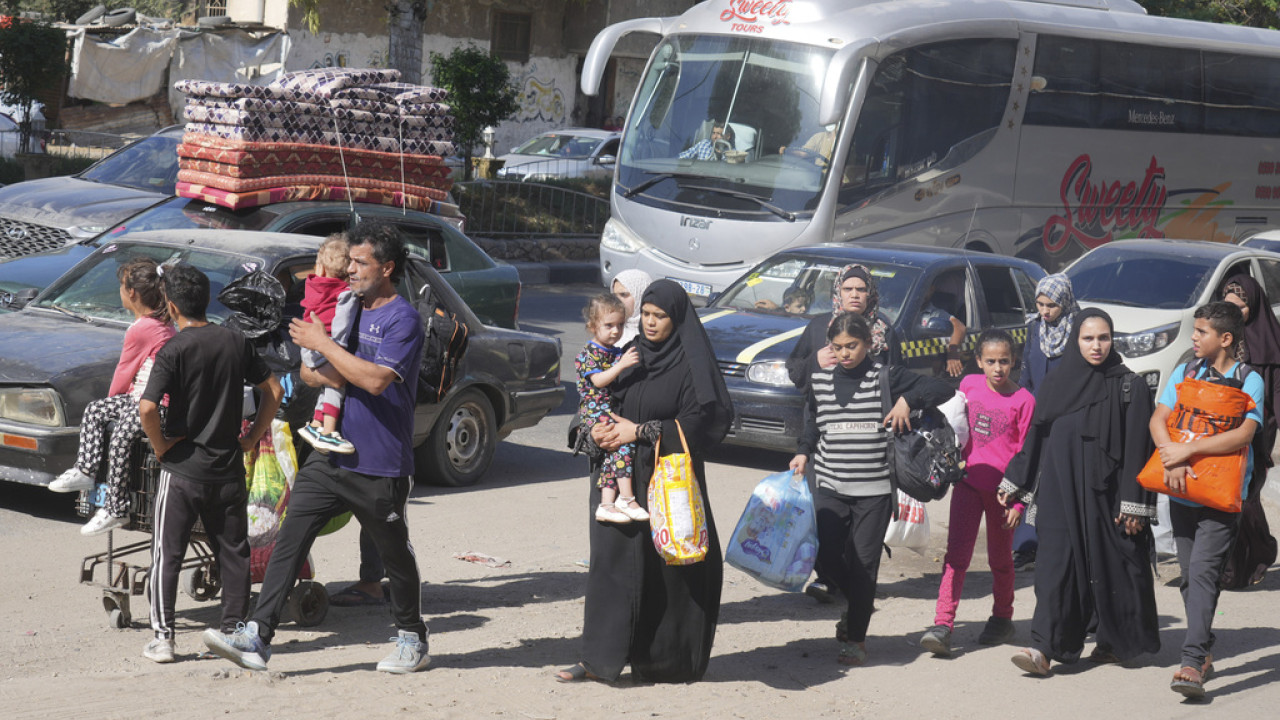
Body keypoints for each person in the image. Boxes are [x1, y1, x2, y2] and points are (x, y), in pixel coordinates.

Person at [203, 222, 431, 674]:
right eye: (348, 262)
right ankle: (257, 635)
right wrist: (329, 359)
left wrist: (328, 350)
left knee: (394, 554)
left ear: (386, 268)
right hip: (329, 453)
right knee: (290, 538)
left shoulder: (402, 319)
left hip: (380, 461)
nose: (350, 270)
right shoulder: (347, 305)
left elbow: (376, 380)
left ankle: (412, 636)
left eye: (360, 263)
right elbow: (310, 374)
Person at [557, 279, 733, 683]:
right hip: (614, 480)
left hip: (665, 482)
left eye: (661, 317)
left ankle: (663, 661)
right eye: (647, 315)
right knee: (608, 567)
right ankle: (596, 659)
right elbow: (591, 398)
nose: (650, 324)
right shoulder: (626, 355)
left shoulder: (689, 366)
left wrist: (640, 431)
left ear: (677, 319)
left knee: (667, 571)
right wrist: (593, 431)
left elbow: (699, 423)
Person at [999, 308, 1160, 677]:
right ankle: (1043, 647)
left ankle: (1113, 642)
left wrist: (1134, 504)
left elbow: (1139, 448)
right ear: (1076, 341)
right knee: (1055, 567)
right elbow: (1035, 440)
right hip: (1059, 491)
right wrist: (1015, 483)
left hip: (1108, 496)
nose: (1096, 346)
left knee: (1115, 566)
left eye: (1103, 338)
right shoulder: (1056, 385)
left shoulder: (1128, 386)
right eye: (1088, 338)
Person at [789, 311, 954, 666]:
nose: (845, 353)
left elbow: (944, 386)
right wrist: (803, 452)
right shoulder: (819, 380)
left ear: (868, 344)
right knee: (826, 554)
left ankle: (856, 637)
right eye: (838, 347)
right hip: (829, 486)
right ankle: (858, 605)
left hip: (875, 492)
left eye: (852, 346)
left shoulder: (886, 377)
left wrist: (908, 400)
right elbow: (813, 423)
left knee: (865, 564)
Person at [137, 262, 283, 664]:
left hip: (182, 470)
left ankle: (164, 639)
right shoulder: (236, 341)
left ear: (170, 305)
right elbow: (274, 387)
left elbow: (147, 407)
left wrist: (162, 446)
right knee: (233, 552)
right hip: (229, 469)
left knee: (168, 552)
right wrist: (252, 436)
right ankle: (235, 631)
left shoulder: (174, 349)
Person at [1149, 301, 1263, 699]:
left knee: (1200, 574)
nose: (1193, 338)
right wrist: (1170, 454)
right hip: (1182, 491)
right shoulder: (1184, 371)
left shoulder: (1249, 379)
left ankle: (1192, 662)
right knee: (1192, 576)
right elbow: (1159, 419)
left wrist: (1187, 453)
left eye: (1201, 332)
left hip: (1220, 497)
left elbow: (1244, 434)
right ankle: (1205, 647)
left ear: (1225, 338)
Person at [786, 263, 898, 603]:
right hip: (824, 433)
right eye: (848, 289)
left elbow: (899, 380)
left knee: (862, 517)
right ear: (838, 292)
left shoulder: (886, 332)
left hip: (869, 440)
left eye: (860, 290)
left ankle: (856, 581)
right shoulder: (820, 326)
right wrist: (814, 362)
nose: (854, 295)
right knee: (826, 513)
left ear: (870, 294)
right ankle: (831, 577)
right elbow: (794, 370)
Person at [920, 329, 1033, 657]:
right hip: (968, 485)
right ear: (980, 362)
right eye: (991, 361)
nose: (998, 368)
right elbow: (952, 422)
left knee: (1000, 559)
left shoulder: (1025, 401)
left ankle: (1002, 618)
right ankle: (943, 624)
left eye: (1005, 361)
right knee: (956, 556)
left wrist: (1019, 502)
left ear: (1014, 362)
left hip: (1003, 495)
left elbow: (1027, 455)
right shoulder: (968, 385)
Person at [48, 258, 176, 536]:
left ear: (132, 293)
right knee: (96, 410)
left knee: (119, 439)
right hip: (140, 398)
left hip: (154, 404)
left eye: (121, 286)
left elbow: (124, 371)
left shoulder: (142, 328)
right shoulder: (158, 322)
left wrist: (115, 400)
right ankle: (85, 470)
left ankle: (116, 508)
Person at [1013, 273, 1080, 572]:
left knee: (1058, 480)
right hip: (1035, 415)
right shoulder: (1034, 328)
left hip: (1067, 417)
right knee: (1029, 476)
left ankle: (1058, 546)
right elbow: (1026, 369)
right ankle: (1026, 546)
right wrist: (1024, 404)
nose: (1045, 311)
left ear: (1064, 301)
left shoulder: (1080, 330)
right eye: (1040, 304)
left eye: (1051, 305)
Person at [1217, 275, 1279, 588]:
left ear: (1252, 308)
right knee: (1228, 493)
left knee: (1245, 495)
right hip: (1221, 427)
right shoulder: (1220, 338)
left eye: (1239, 308)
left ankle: (1259, 551)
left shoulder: (1270, 343)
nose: (1234, 313)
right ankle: (1236, 566)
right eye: (1228, 306)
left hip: (1257, 431)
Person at [575, 294, 644, 523]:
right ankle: (626, 497)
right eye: (609, 325)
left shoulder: (615, 350)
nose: (615, 331)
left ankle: (606, 503)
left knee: (613, 454)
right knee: (622, 443)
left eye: (620, 325)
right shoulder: (590, 353)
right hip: (596, 410)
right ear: (593, 326)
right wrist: (622, 364)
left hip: (608, 409)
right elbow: (598, 381)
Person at [296, 234, 359, 455]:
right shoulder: (346, 294)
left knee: (325, 385)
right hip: (325, 343)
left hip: (307, 348)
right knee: (335, 385)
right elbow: (342, 323)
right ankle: (329, 432)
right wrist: (336, 349)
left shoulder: (312, 286)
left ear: (321, 269)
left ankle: (315, 425)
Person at [916, 279, 967, 378]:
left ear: (931, 290)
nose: (919, 293)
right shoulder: (896, 308)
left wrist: (952, 350)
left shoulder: (936, 313)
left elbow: (959, 326)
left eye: (923, 288)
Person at [611, 268, 653, 345]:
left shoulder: (654, 331)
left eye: (623, 295)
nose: (616, 301)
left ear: (641, 295)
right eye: (614, 296)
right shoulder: (609, 329)